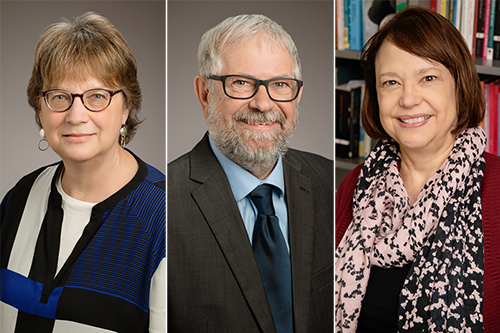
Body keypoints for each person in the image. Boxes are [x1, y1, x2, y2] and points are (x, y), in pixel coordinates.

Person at [335, 6, 500, 333]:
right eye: (391, 82)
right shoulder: (353, 185)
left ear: (460, 85)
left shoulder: (497, 189)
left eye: (428, 77)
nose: (408, 99)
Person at [0, 12, 165, 333]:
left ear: (126, 107)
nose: (76, 115)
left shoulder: (162, 219)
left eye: (97, 97)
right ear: (40, 107)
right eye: (59, 96)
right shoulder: (20, 197)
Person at [168, 14, 333, 332]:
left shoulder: (329, 181)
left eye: (280, 85)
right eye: (241, 83)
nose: (262, 103)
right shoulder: (165, 204)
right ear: (205, 93)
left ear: (297, 95)